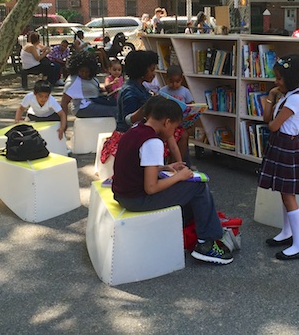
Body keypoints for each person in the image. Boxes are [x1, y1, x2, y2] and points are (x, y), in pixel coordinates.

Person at [112, 95, 233, 265]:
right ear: (167, 122)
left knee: (187, 186)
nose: (172, 133)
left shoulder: (135, 130)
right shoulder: (153, 141)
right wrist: (179, 176)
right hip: (136, 199)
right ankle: (206, 243)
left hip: (122, 194)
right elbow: (151, 188)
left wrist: (163, 168)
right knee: (198, 187)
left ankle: (186, 230)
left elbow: (134, 165)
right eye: (174, 127)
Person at [258, 54, 299, 261]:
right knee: (283, 192)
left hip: (287, 146)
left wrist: (273, 99)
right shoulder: (288, 94)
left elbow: (272, 125)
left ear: (291, 78)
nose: (276, 82)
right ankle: (287, 233)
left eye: (279, 78)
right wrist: (271, 95)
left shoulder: (295, 98)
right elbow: (266, 117)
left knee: (288, 195)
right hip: (281, 145)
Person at [100, 50, 182, 163]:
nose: (154, 74)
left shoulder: (140, 87)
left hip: (140, 129)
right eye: (152, 70)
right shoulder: (130, 91)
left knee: (176, 130)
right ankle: (172, 168)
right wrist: (147, 109)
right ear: (142, 70)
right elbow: (129, 121)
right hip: (128, 134)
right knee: (177, 134)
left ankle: (174, 167)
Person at [60, 50, 118, 119]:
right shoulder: (73, 82)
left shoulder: (92, 78)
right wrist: (64, 122)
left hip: (95, 102)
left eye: (87, 72)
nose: (84, 74)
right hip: (82, 108)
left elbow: (95, 90)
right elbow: (64, 102)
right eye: (81, 71)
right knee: (116, 111)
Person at [159, 64, 193, 163]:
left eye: (177, 81)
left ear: (182, 79)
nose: (174, 84)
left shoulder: (185, 92)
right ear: (166, 79)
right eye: (171, 81)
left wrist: (189, 120)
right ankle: (170, 162)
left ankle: (178, 162)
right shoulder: (163, 91)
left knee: (184, 135)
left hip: (180, 124)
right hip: (166, 124)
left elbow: (189, 107)